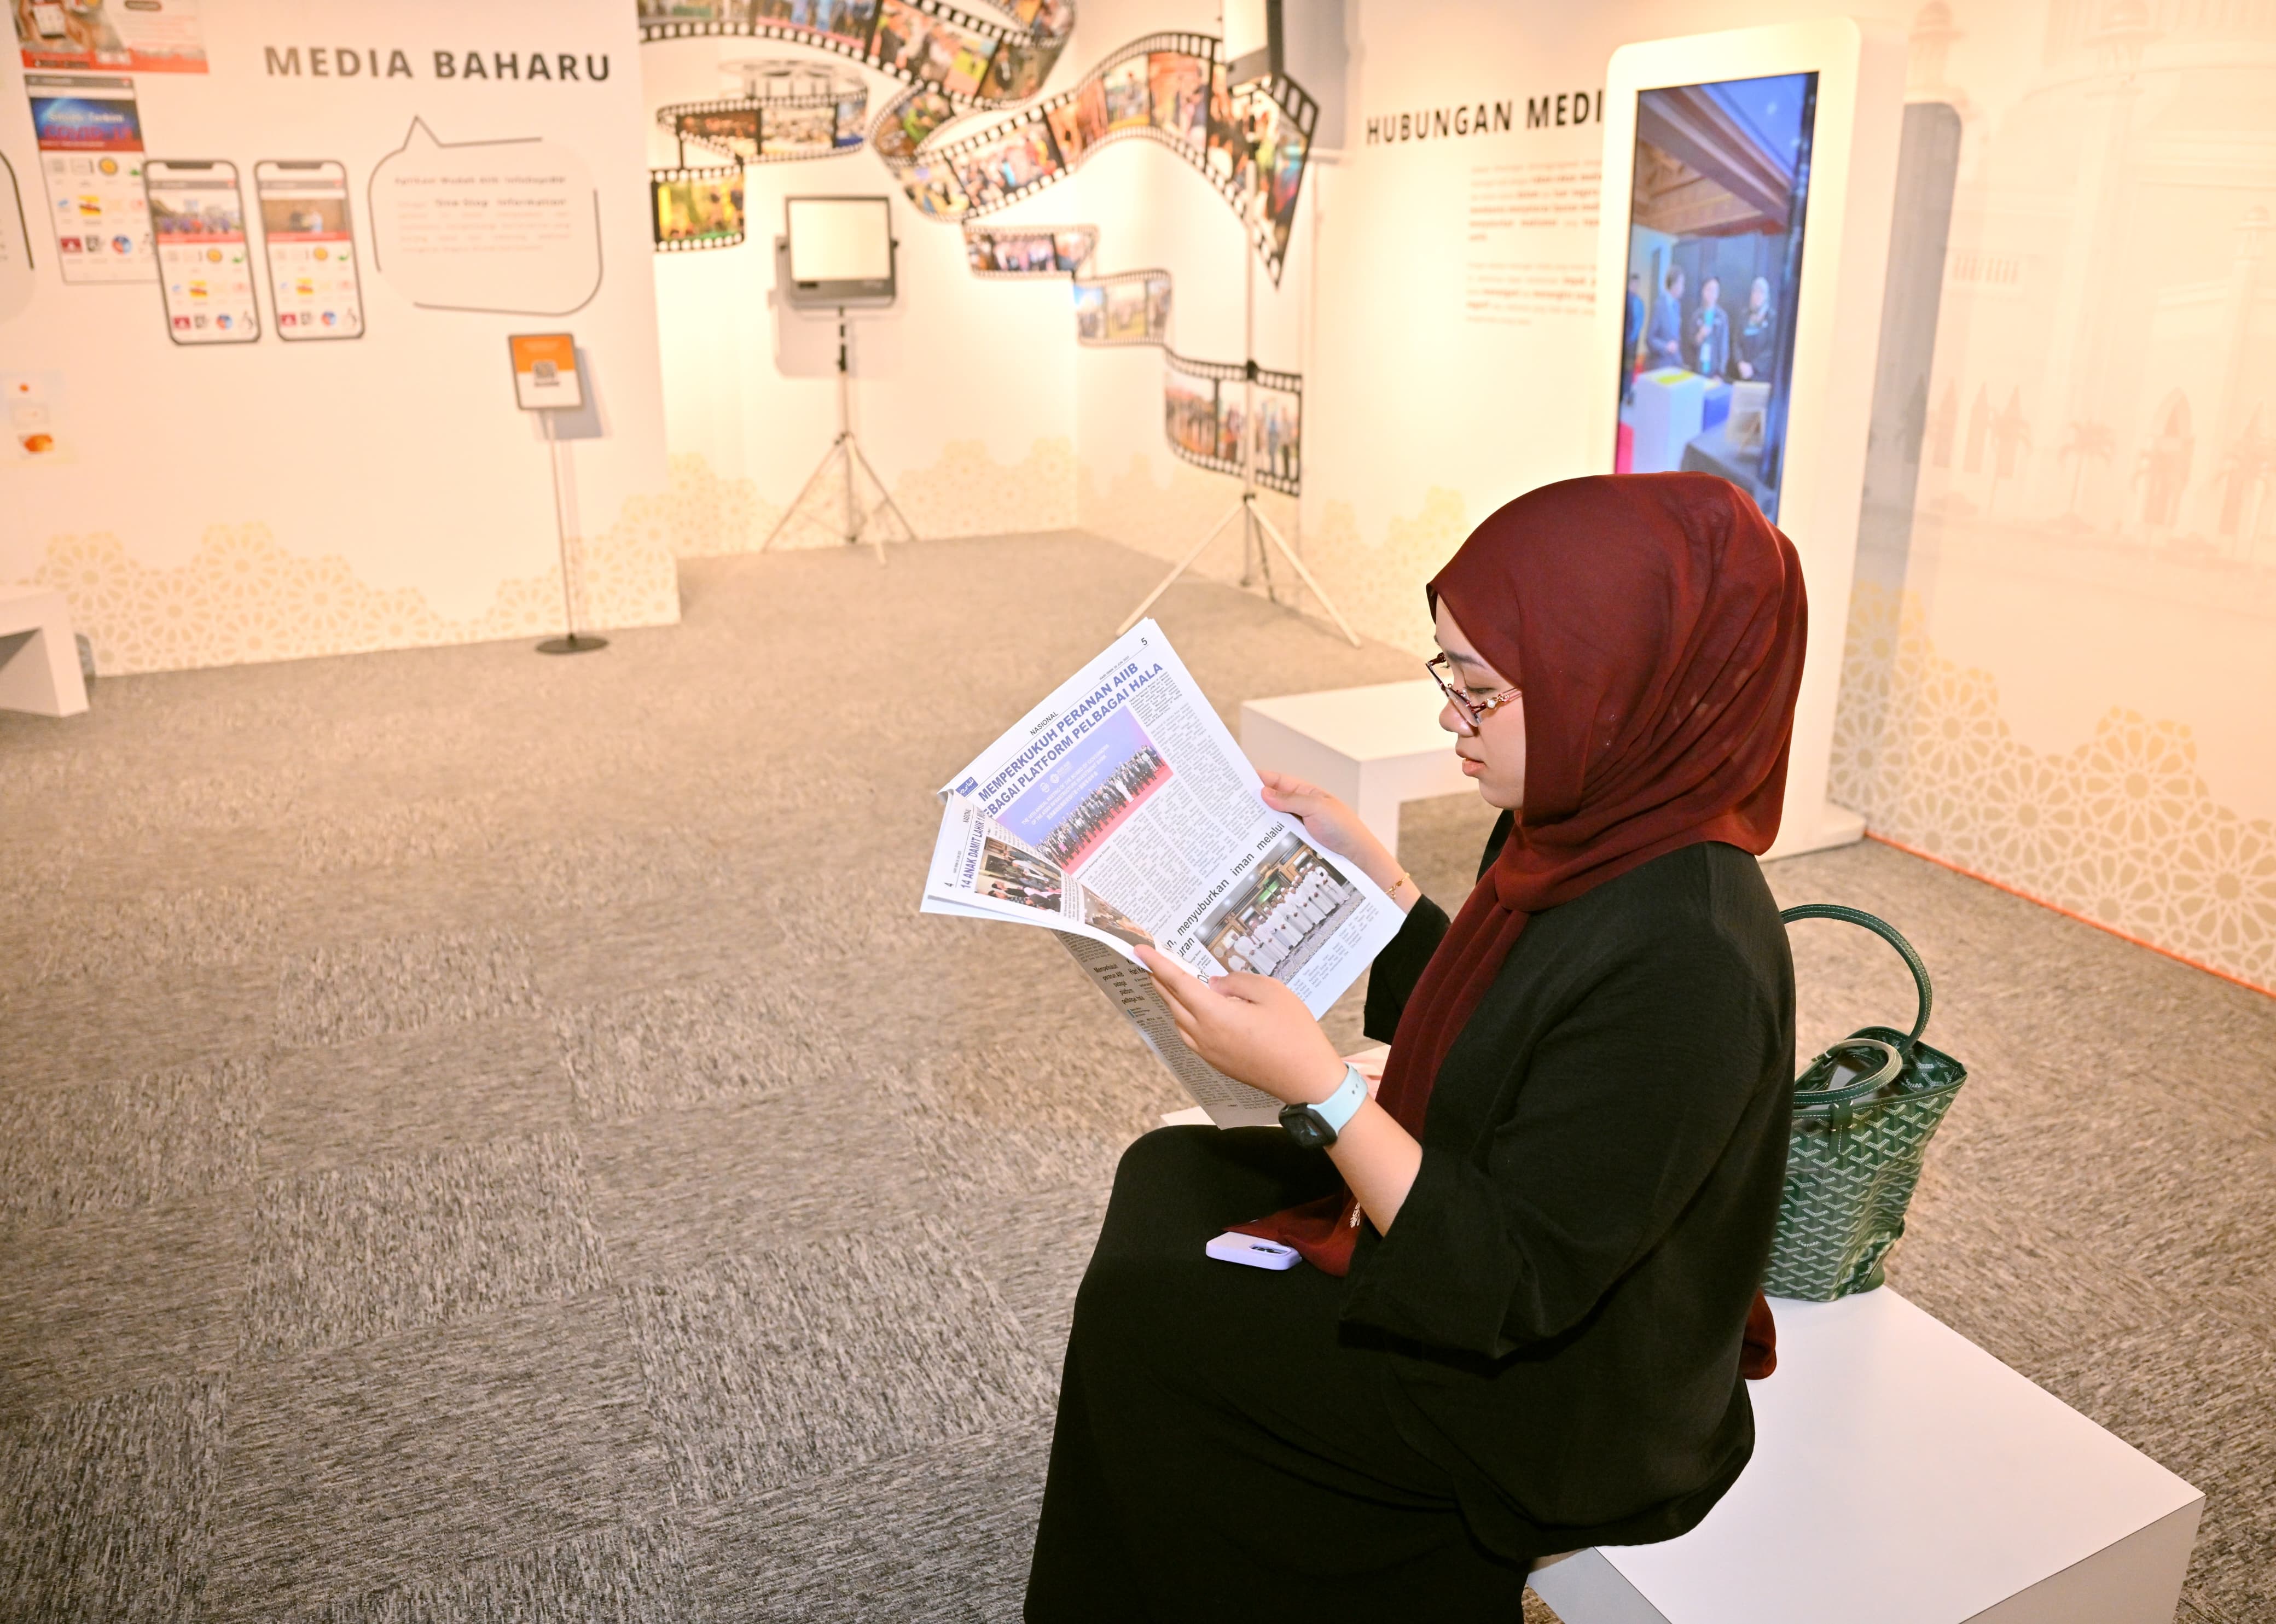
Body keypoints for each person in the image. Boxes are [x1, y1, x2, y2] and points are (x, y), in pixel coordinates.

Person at [1026, 472, 1803, 1621]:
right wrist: (1376, 877)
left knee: (1157, 1310)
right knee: (1167, 1170)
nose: (1452, 714)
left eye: (1482, 691)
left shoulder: (1691, 951)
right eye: (1451, 675)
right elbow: (1515, 988)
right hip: (1500, 1242)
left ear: (1614, 689)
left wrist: (1320, 1087)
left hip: (1557, 1395)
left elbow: (1516, 1283)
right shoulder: (1595, 815)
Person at [1735, 275, 1776, 382]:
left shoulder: (1772, 318)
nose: (1758, 296)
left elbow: (1771, 348)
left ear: (1767, 296)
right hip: (1742, 374)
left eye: (1761, 292)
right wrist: (1740, 362)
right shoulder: (1743, 316)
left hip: (1762, 376)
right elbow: (1737, 342)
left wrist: (1753, 367)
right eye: (1755, 292)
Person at [1645, 266, 1686, 369]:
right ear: (1674, 285)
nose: (1683, 288)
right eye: (1682, 284)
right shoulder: (1659, 306)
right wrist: (1666, 347)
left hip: (1675, 363)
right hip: (1660, 364)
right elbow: (1650, 339)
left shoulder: (1677, 306)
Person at [1691, 275, 1731, 379]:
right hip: (1697, 370)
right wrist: (1700, 336)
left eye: (1715, 290)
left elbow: (1724, 347)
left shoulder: (1722, 317)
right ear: (1703, 291)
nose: (1712, 294)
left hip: (1714, 372)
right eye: (1709, 290)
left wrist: (1720, 373)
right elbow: (1690, 344)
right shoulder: (1696, 315)